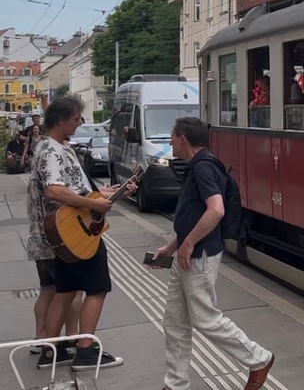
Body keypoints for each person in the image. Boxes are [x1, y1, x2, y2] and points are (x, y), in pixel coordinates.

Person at [150, 117, 275, 390]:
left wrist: (188, 244)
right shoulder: (198, 165)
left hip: (199, 255)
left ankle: (259, 358)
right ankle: (175, 384)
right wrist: (172, 246)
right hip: (189, 253)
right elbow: (194, 215)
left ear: (183, 139)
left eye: (172, 137)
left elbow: (215, 210)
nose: (169, 142)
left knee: (205, 318)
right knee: (175, 322)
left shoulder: (204, 168)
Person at [31, 96, 132, 370]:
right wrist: (94, 204)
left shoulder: (56, 147)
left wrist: (108, 193)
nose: (80, 123)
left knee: (65, 290)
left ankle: (52, 352)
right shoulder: (52, 150)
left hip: (66, 235)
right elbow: (53, 190)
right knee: (98, 289)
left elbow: (78, 190)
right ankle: (86, 352)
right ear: (61, 119)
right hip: (76, 235)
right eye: (76, 119)